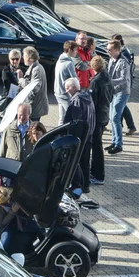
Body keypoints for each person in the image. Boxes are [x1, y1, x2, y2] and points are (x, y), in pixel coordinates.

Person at [61, 77, 96, 206]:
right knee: (85, 161)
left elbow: (76, 122)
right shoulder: (87, 97)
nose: (66, 90)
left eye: (67, 88)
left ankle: (79, 186)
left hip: (79, 138)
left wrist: (72, 138)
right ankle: (86, 185)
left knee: (77, 162)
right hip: (89, 135)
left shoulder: (76, 101)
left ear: (73, 87)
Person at [87, 56, 111, 186]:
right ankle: (96, 173)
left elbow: (92, 102)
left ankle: (97, 175)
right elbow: (111, 95)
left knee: (96, 147)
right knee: (97, 145)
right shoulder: (107, 78)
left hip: (96, 117)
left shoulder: (95, 82)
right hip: (104, 115)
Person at [107, 41, 131, 154]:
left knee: (116, 117)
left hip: (122, 92)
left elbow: (124, 79)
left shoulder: (123, 62)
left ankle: (119, 144)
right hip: (114, 92)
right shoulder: (111, 60)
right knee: (112, 118)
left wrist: (109, 82)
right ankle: (114, 141)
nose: (108, 51)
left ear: (117, 50)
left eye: (110, 49)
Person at [112, 34, 138, 135]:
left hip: (122, 84)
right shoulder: (125, 51)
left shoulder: (123, 53)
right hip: (122, 83)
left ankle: (128, 126)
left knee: (120, 105)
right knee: (120, 105)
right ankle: (126, 125)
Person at [21, 47, 49, 119]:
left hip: (35, 107)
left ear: (29, 58)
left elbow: (34, 88)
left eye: (24, 55)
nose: (23, 57)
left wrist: (21, 81)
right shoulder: (36, 67)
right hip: (35, 106)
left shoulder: (36, 70)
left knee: (33, 128)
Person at [54, 41, 78, 120]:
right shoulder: (69, 63)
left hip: (58, 92)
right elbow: (75, 79)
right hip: (65, 93)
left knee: (62, 118)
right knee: (70, 117)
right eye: (75, 50)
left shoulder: (60, 59)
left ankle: (59, 132)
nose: (76, 52)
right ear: (69, 50)